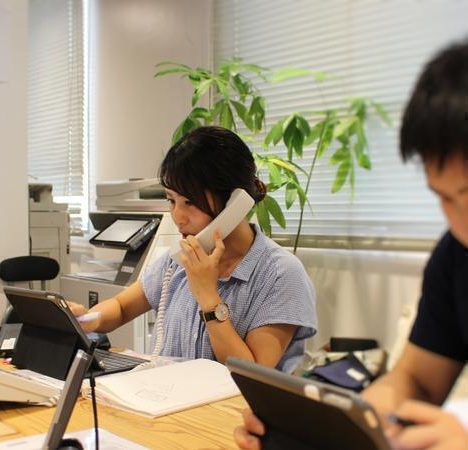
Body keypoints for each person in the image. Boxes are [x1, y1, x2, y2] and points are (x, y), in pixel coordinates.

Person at [234, 40, 468, 449]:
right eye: (444, 199)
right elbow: (416, 379)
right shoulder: (455, 257)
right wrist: (339, 426)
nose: (459, 223)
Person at [70, 126, 317, 371]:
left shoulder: (281, 274)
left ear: (235, 202)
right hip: (163, 394)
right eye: (171, 200)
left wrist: (208, 296)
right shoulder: (177, 260)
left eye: (190, 202)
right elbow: (122, 307)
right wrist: (87, 319)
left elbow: (251, 373)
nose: (178, 217)